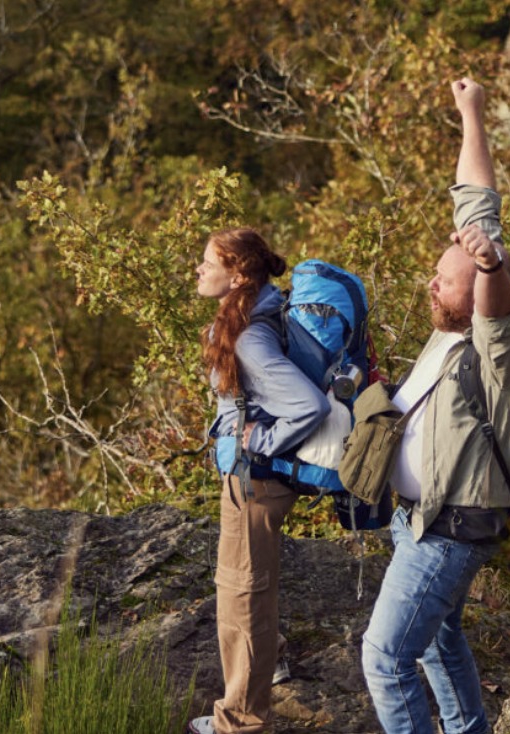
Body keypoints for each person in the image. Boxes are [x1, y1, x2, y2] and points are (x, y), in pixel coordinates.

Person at [359, 78, 510, 734]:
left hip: (450, 530)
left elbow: (492, 296)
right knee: (440, 638)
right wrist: (470, 112)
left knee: (385, 659)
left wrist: (491, 269)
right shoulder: (454, 319)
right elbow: (477, 201)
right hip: (418, 519)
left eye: (443, 279)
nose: (430, 283)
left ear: (476, 290)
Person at [188, 228, 332, 734]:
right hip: (254, 482)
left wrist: (258, 439)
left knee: (242, 598)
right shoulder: (249, 314)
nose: (199, 269)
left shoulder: (249, 337)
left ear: (239, 273)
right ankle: (270, 668)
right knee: (248, 590)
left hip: (255, 484)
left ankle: (241, 723)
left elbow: (308, 406)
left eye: (209, 262)